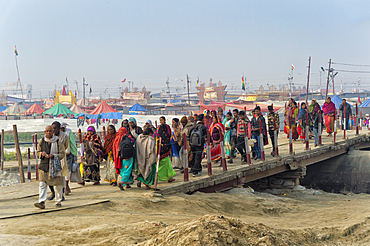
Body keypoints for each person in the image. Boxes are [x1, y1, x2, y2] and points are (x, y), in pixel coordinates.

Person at [34, 125, 65, 209]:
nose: (49, 132)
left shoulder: (57, 141)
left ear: (53, 132)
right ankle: (42, 202)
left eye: (50, 131)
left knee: (57, 185)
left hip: (54, 166)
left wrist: (54, 156)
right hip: (44, 166)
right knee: (42, 184)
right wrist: (42, 154)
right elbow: (38, 152)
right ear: (45, 132)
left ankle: (58, 201)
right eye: (47, 131)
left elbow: (62, 154)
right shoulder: (42, 141)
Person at [48, 121, 69, 199]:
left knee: (60, 178)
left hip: (61, 159)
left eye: (55, 128)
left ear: (59, 129)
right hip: (51, 158)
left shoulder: (65, 136)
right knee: (49, 177)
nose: (54, 130)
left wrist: (59, 153)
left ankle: (61, 195)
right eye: (52, 128)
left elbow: (66, 147)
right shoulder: (50, 136)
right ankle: (53, 192)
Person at [156, 116, 176, 182]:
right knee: (167, 165)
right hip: (166, 151)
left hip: (159, 152)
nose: (160, 121)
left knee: (160, 165)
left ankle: (158, 177)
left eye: (162, 120)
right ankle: (168, 177)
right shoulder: (166, 134)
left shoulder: (158, 134)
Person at [60, 122, 79, 194]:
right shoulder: (56, 134)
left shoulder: (68, 132)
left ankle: (66, 185)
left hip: (68, 154)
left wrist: (74, 155)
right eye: (61, 128)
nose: (62, 129)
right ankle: (63, 186)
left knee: (68, 171)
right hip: (59, 154)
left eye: (63, 128)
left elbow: (72, 143)